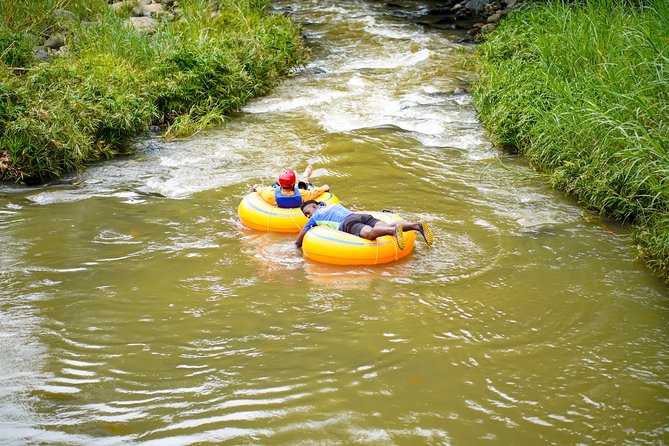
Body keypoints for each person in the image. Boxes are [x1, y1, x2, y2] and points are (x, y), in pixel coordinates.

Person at [295, 200, 434, 249]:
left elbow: (301, 237)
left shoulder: (315, 217)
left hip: (348, 223)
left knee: (368, 234)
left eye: (308, 212)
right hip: (359, 215)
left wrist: (296, 247)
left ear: (314, 206)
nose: (308, 216)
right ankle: (417, 226)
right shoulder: (333, 205)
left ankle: (393, 232)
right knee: (387, 224)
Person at [251, 165, 330, 209]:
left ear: (280, 183)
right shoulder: (303, 194)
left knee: (301, 185)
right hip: (299, 190)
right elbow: (321, 190)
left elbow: (257, 188)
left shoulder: (269, 194)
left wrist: (256, 186)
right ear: (294, 183)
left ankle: (301, 176)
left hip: (281, 191)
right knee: (304, 184)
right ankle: (305, 175)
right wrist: (325, 187)